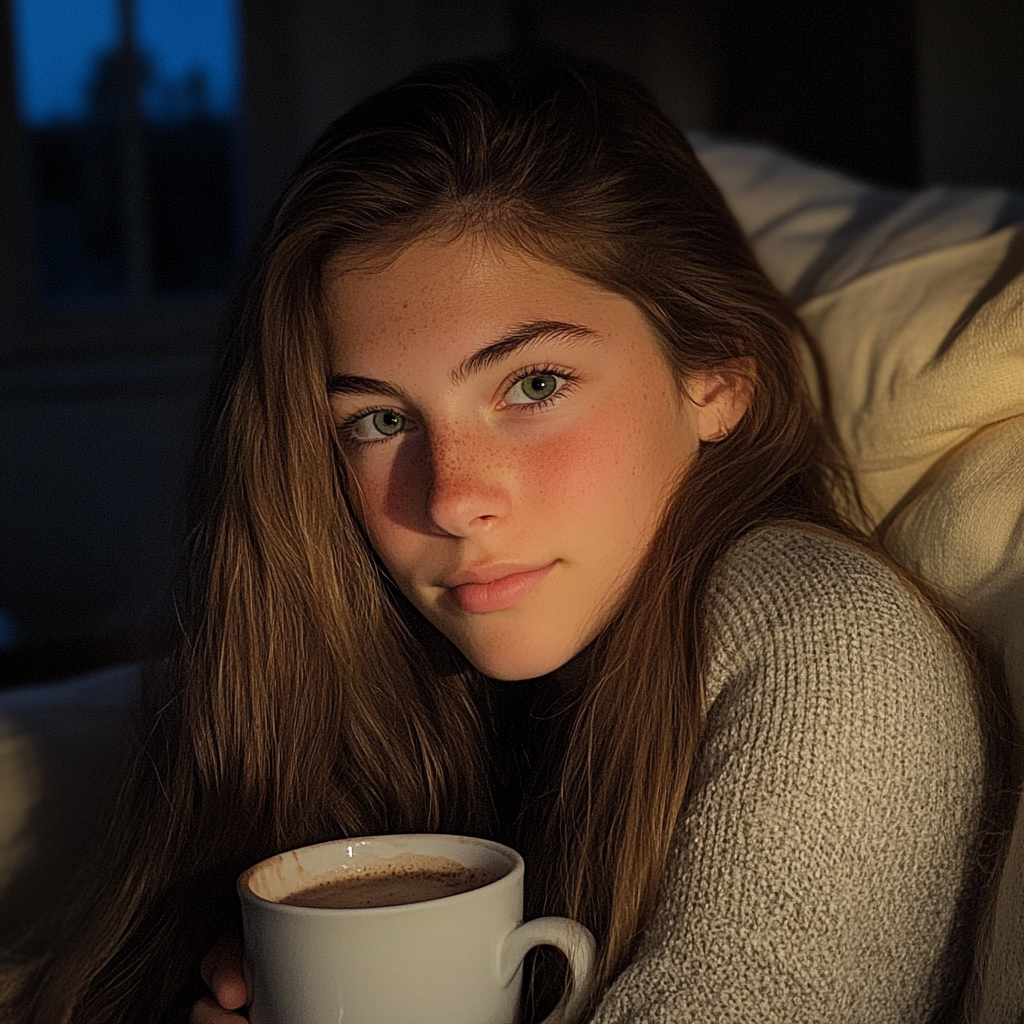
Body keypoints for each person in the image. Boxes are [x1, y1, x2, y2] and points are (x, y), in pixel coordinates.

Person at [1, 53, 1010, 1024]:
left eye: (532, 385)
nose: (449, 499)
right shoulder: (415, 681)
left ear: (714, 377)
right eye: (380, 421)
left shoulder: (833, 653)